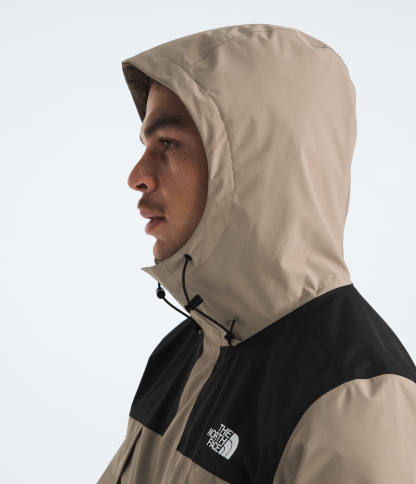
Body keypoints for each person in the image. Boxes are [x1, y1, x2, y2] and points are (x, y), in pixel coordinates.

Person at [98, 24, 416, 484]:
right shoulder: (184, 351)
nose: (137, 176)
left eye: (167, 144)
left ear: (252, 164)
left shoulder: (357, 405)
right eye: (145, 145)